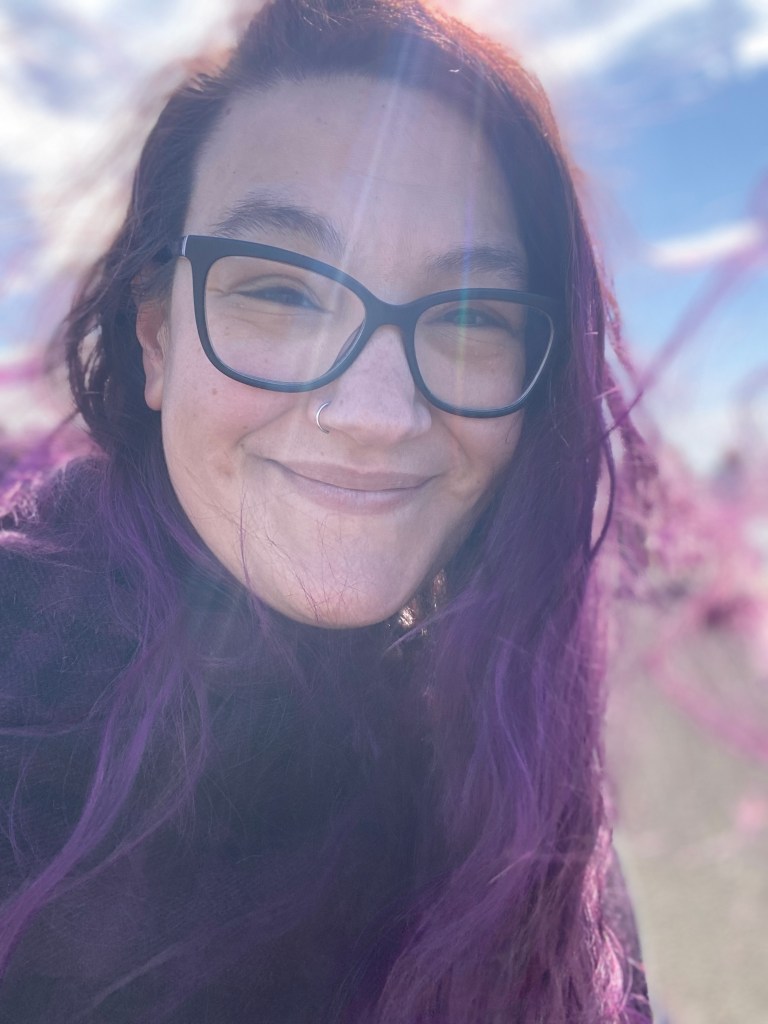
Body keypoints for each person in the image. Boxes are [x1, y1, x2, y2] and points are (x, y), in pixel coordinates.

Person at [0, 0, 652, 1020]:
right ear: (157, 339)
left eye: (470, 315)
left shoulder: (524, 790)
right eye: (281, 292)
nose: (377, 415)